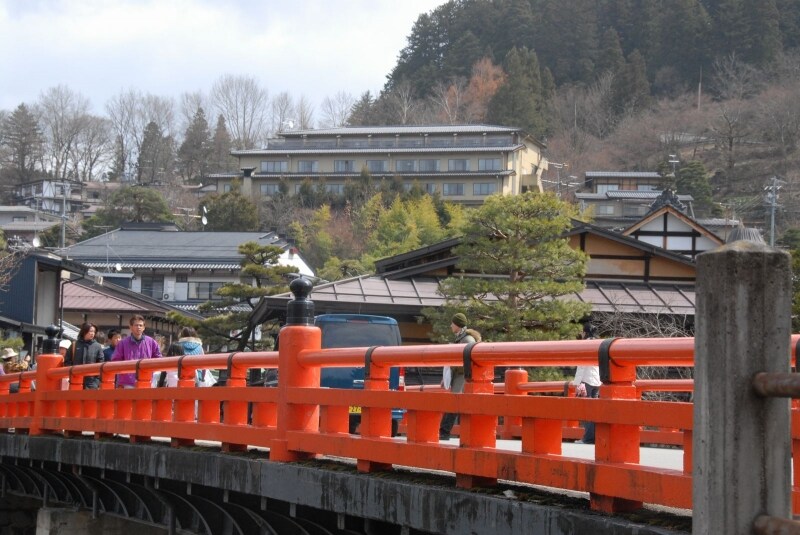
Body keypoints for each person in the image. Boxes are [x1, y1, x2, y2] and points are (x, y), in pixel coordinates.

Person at [440, 312, 481, 440]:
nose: (451, 325)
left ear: (457, 324)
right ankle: (446, 431)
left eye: (452, 323)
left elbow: (469, 359)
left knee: (455, 402)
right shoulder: (461, 338)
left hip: (463, 375)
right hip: (459, 375)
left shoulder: (467, 340)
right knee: (457, 403)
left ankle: (444, 431)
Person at [111, 315, 163, 388]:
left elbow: (158, 359)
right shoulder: (123, 343)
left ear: (144, 327)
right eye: (136, 325)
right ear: (131, 327)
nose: (138, 327)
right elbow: (116, 361)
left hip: (146, 381)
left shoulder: (151, 342)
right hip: (127, 383)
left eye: (141, 325)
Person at [573, 322, 601, 444]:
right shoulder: (599, 343)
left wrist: (578, 383)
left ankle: (587, 438)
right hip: (597, 381)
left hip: (586, 381)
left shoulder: (586, 344)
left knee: (586, 410)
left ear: (585, 332)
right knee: (594, 411)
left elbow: (582, 365)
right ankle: (594, 436)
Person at [65, 322, 104, 389]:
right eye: (90, 331)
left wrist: (96, 382)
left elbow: (101, 363)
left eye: (94, 332)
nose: (92, 333)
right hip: (75, 380)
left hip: (91, 383)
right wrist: (72, 374)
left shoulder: (97, 346)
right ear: (84, 331)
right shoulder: (75, 345)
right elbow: (67, 361)